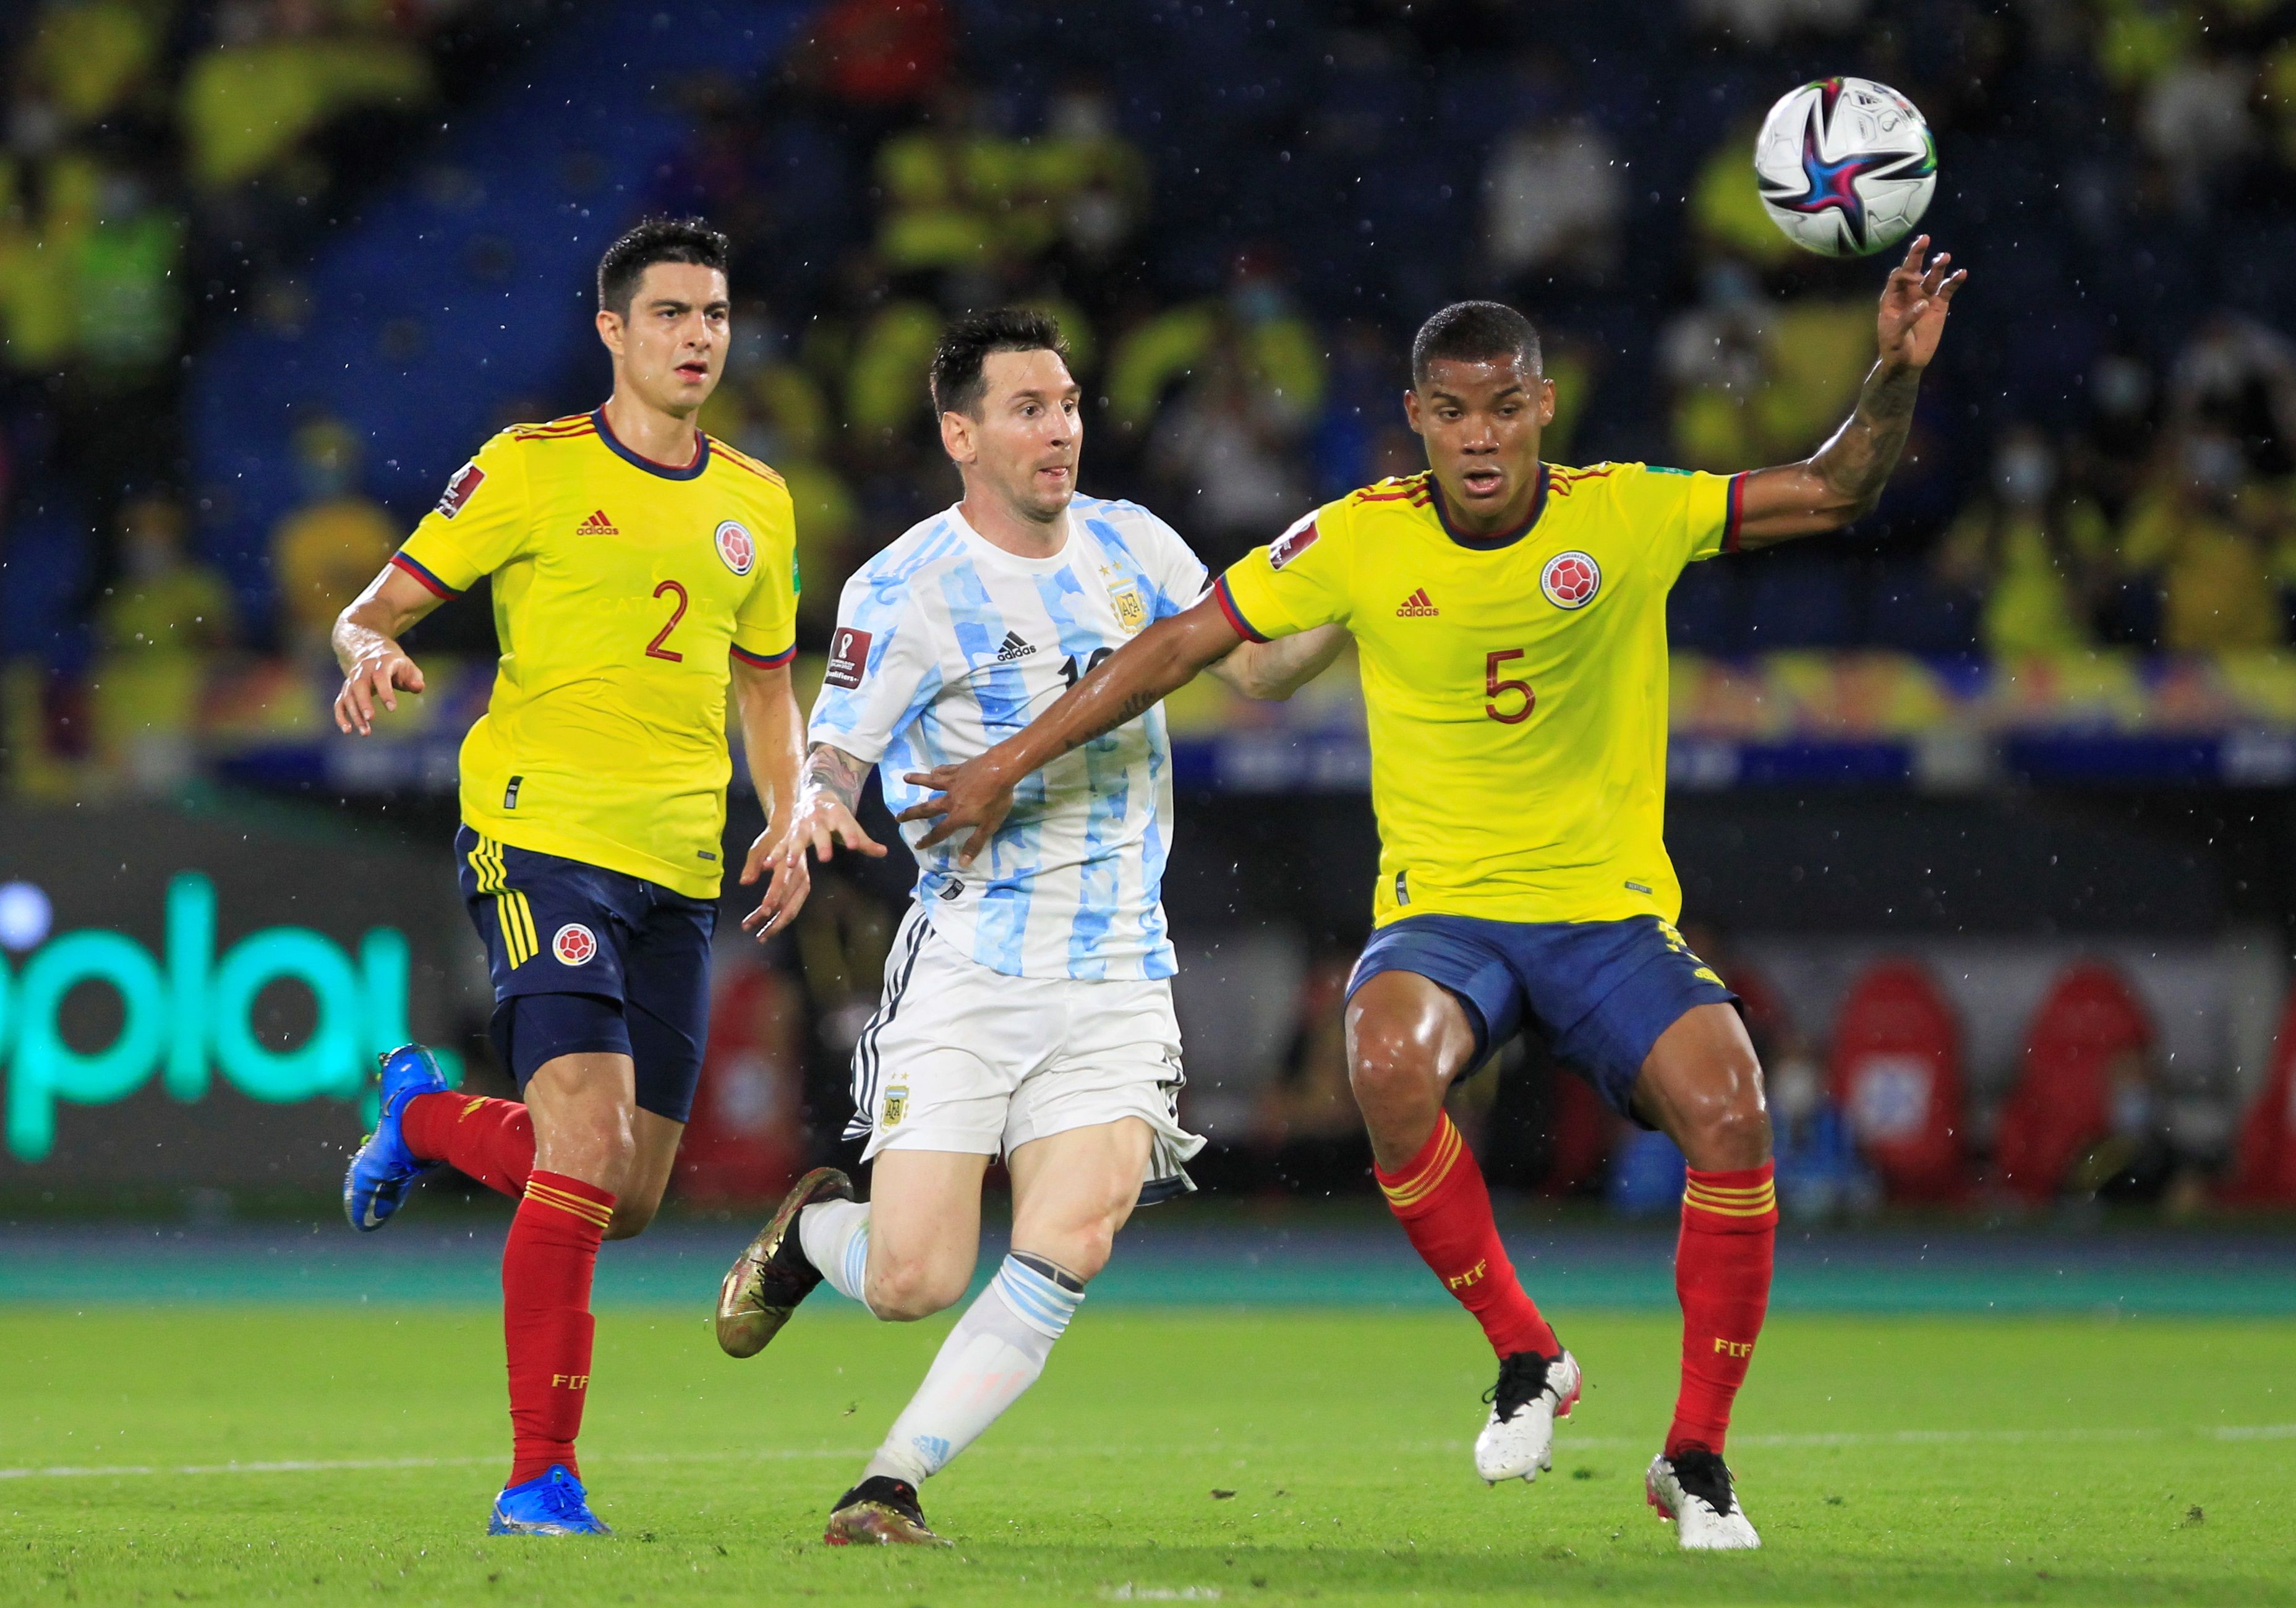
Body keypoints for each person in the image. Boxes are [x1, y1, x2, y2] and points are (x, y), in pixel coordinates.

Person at [895, 239, 1968, 1550]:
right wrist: (1005, 763)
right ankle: (1528, 1354)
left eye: (1504, 408)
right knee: (1385, 1061)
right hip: (1445, 913)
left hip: (1608, 914)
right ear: (1416, 419)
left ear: (1542, 407)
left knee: (1735, 1105)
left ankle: (1696, 1455)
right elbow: (1179, 644)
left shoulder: (1624, 511)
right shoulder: (1358, 536)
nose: (1479, 437)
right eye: (1452, 412)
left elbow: (1839, 485)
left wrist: (1893, 371)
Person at [712, 308, 1342, 1547]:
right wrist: (809, 818)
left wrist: (1366, 601)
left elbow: (1257, 668)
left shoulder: (1134, 542)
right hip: (970, 965)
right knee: (913, 1279)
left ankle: (887, 1484)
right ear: (961, 434)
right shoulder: (904, 586)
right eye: (1027, 410)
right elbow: (837, 749)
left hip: (1116, 970)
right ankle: (813, 1232)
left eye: (1066, 406)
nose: (1060, 431)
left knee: (1076, 1229)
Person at [330, 218, 807, 1537]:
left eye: (714, 313)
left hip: (679, 865)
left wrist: (794, 806)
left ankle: (422, 1119)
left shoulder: (757, 501)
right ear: (612, 330)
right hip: (542, 833)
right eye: (669, 314)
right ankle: (541, 1474)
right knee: (588, 1150)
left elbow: (764, 687)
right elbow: (373, 607)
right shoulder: (527, 469)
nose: (698, 336)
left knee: (632, 1194)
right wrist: (366, 646)